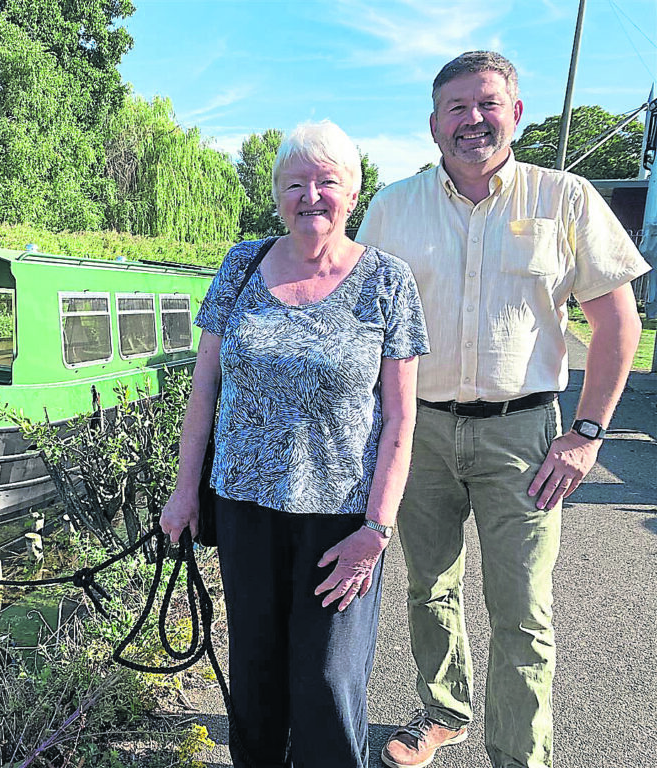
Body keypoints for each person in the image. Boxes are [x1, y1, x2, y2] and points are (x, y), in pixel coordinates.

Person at [357, 51, 650, 768]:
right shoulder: (393, 207)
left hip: (525, 434)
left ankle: (520, 756)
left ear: (515, 112)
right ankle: (441, 713)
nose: (473, 120)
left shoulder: (567, 198)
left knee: (522, 610)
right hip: (417, 431)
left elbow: (619, 324)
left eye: (487, 103)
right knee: (429, 588)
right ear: (433, 125)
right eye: (456, 108)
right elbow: (358, 324)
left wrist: (586, 434)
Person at [160, 120, 429, 768]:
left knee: (329, 684)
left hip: (341, 522)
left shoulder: (388, 282)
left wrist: (377, 529)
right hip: (245, 511)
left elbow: (400, 419)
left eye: (327, 181)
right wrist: (183, 492)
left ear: (353, 192)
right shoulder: (241, 264)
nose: (311, 195)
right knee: (254, 675)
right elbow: (204, 392)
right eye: (295, 183)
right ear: (278, 194)